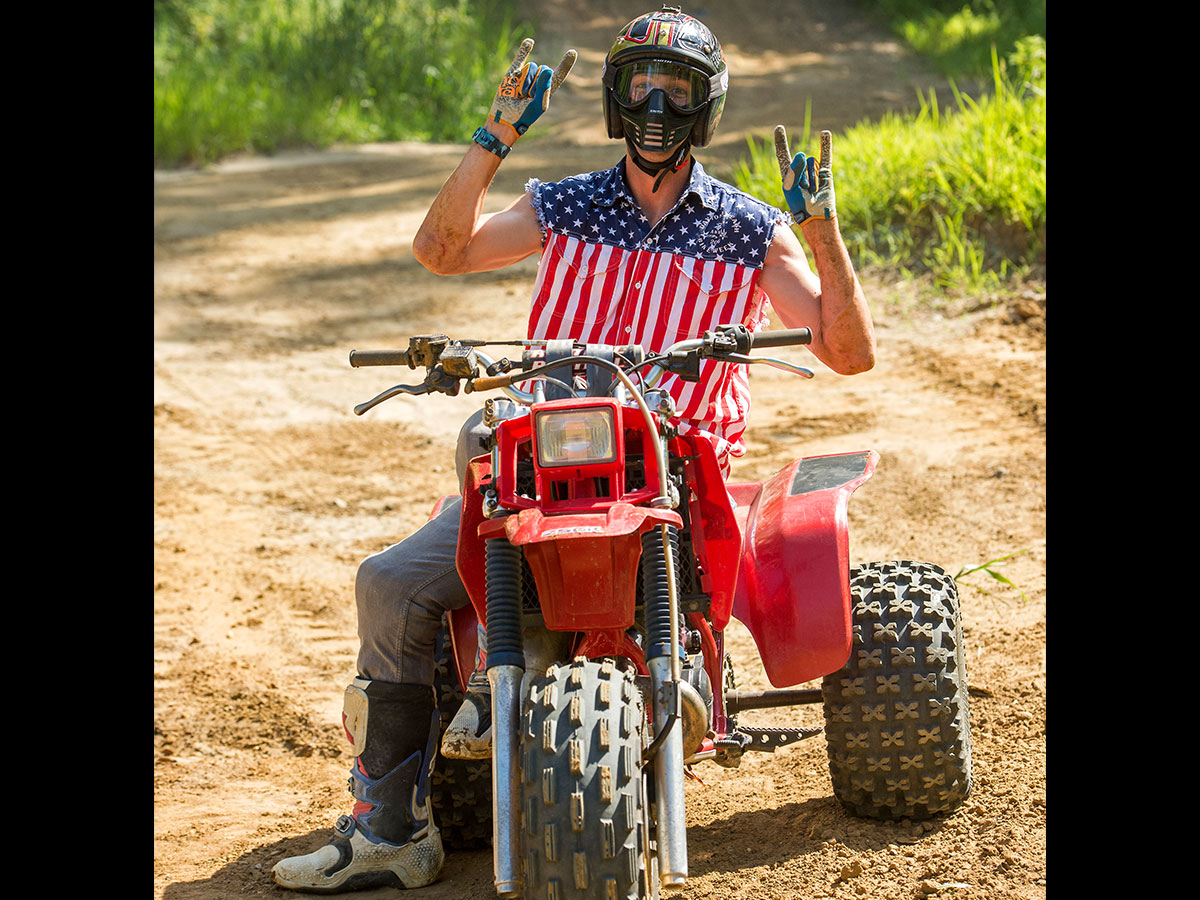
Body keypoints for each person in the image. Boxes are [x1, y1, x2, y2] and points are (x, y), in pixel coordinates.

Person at [272, 5, 875, 893]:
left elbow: (847, 353)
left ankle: (665, 663)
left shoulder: (749, 229)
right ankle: (389, 827)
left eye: (677, 86)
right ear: (613, 97)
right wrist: (494, 136)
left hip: (676, 473)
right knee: (396, 576)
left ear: (705, 106)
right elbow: (441, 252)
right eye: (640, 82)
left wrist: (819, 225)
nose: (657, 101)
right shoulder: (566, 203)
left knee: (686, 497)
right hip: (540, 466)